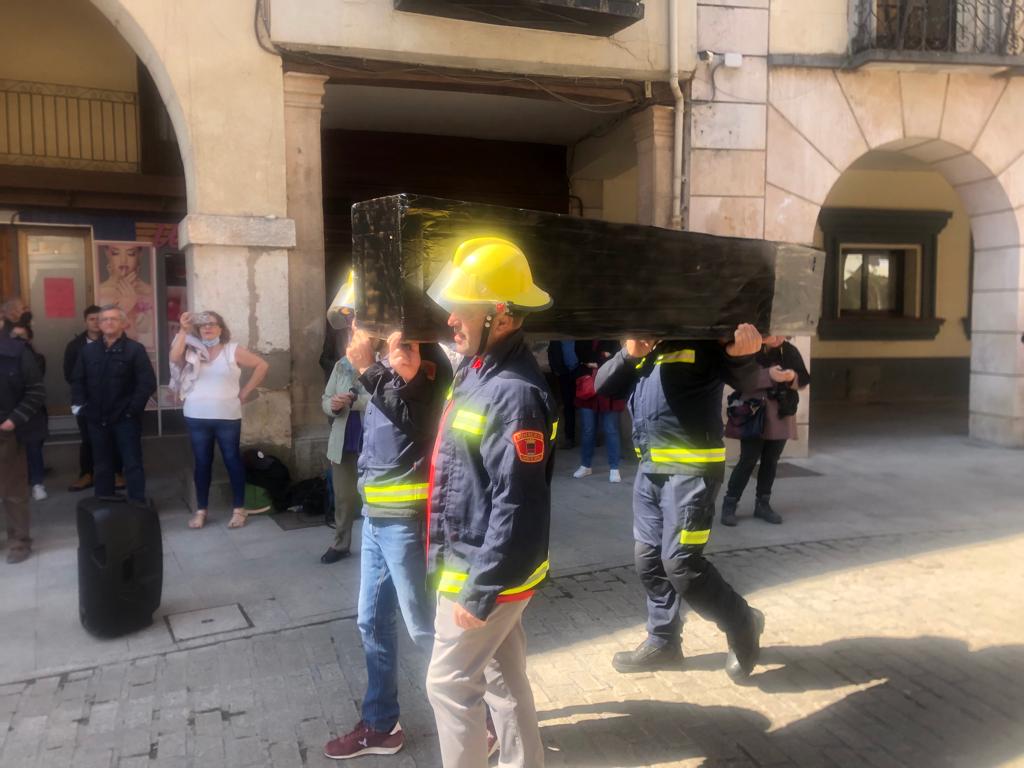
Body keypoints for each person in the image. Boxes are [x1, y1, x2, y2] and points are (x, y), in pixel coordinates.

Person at [424, 237, 556, 768]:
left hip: (487, 570)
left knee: (449, 683)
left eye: (464, 309)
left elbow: (518, 504)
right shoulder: (481, 371)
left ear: (500, 316)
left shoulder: (514, 392)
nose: (452, 320)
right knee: (503, 679)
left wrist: (478, 592)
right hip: (477, 561)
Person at [594, 327, 767, 681]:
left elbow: (745, 378)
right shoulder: (640, 340)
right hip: (650, 471)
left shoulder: (702, 337)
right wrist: (628, 354)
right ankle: (663, 642)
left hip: (691, 472)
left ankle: (743, 622)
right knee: (648, 561)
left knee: (682, 566)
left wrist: (744, 355)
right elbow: (603, 387)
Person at [322, 324, 453, 760]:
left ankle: (482, 720)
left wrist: (366, 368)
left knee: (426, 627)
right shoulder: (379, 364)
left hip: (405, 522)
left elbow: (419, 425)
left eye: (359, 319)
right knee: (371, 622)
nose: (352, 328)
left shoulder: (422, 361)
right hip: (377, 520)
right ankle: (381, 725)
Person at [170, 311, 269, 529]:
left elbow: (262, 365)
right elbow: (174, 358)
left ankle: (239, 509)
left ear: (220, 328)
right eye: (203, 325)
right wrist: (183, 330)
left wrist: (245, 392)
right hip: (196, 415)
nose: (207, 328)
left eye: (212, 324)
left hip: (227, 416)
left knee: (232, 460)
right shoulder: (191, 348)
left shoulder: (231, 350)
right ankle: (201, 510)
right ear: (198, 329)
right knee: (202, 463)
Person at [721, 335, 810, 526]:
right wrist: (768, 375)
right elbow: (738, 379)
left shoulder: (789, 350)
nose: (778, 337)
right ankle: (730, 503)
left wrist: (792, 377)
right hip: (754, 412)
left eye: (782, 332)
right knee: (748, 459)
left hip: (782, 412)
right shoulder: (750, 348)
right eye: (774, 332)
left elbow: (803, 378)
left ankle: (763, 504)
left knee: (771, 460)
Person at [71, 305, 156, 502]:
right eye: (105, 319)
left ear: (123, 323)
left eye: (114, 319)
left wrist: (131, 410)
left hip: (125, 418)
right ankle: (104, 502)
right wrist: (80, 406)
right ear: (99, 324)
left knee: (132, 462)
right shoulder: (88, 351)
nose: (109, 322)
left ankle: (137, 504)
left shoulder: (135, 350)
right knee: (101, 464)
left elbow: (146, 383)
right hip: (95, 418)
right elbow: (77, 380)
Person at [63, 304, 125, 492]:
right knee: (88, 439)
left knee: (115, 438)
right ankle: (87, 474)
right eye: (93, 319)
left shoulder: (119, 342)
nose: (97, 323)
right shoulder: (75, 346)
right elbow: (70, 374)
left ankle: (116, 473)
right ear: (85, 322)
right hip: (88, 403)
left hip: (114, 402)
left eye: (101, 319)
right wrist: (81, 400)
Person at [0, 331, 45, 563]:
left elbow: (36, 391)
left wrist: (13, 420)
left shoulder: (17, 352)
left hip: (7, 431)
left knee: (13, 492)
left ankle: (19, 541)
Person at [2, 297, 49, 501]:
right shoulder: (6, 338)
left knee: (33, 445)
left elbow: (36, 374)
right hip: (7, 404)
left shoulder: (25, 338)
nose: (27, 311)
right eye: (23, 308)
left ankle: (37, 482)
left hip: (27, 403)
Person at [571, 340, 625, 483]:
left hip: (609, 389)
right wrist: (603, 357)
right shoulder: (582, 338)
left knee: (611, 429)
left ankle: (614, 468)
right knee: (588, 429)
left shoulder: (611, 337)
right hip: (588, 389)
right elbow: (582, 357)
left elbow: (616, 360)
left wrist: (595, 362)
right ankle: (585, 465)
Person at [95, 244, 155, 353]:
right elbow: (96, 330)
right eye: (116, 253)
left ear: (139, 255)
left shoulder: (151, 292)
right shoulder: (99, 291)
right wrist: (124, 307)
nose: (123, 262)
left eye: (131, 254)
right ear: (107, 254)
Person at [547, 339, 580, 449]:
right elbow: (551, 353)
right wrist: (555, 369)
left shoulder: (579, 338)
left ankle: (589, 437)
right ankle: (569, 438)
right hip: (564, 375)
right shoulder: (556, 339)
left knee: (585, 404)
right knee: (568, 406)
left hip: (579, 373)